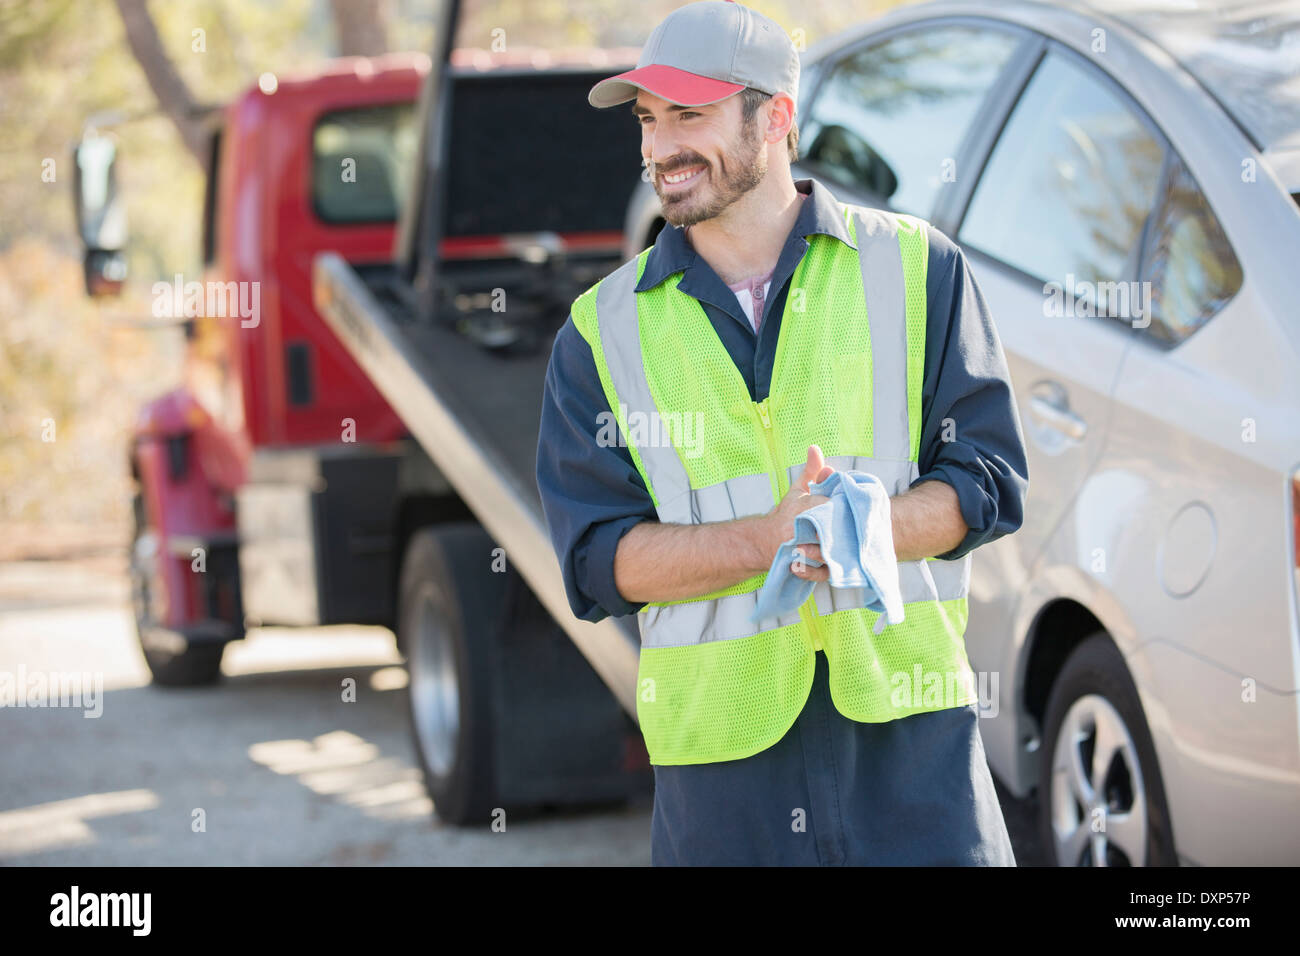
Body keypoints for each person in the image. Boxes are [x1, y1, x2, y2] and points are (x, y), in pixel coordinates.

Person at [535, 0, 1029, 865]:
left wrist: (865, 528)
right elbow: (596, 561)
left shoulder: (918, 267)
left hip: (913, 758)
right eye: (649, 121)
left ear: (777, 118)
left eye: (689, 114)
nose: (659, 147)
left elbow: (987, 481)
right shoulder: (599, 332)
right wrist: (769, 541)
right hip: (724, 780)